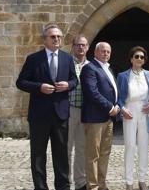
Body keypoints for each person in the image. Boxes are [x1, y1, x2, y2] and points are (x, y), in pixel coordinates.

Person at [16, 24, 77, 190]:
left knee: (61, 154)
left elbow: (74, 80)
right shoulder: (33, 59)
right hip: (39, 115)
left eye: (59, 36)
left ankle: (63, 187)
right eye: (53, 36)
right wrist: (39, 87)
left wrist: (68, 85)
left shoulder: (67, 58)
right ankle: (40, 187)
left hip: (61, 114)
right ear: (45, 39)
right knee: (38, 155)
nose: (56, 39)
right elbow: (21, 82)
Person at [116, 46, 149, 190]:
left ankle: (142, 180)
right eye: (136, 56)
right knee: (129, 146)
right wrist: (122, 110)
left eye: (142, 57)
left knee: (144, 146)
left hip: (145, 112)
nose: (139, 59)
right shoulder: (123, 76)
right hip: (129, 110)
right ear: (131, 59)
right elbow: (118, 98)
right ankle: (129, 182)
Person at [81, 42, 120, 190]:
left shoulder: (108, 68)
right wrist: (110, 107)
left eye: (108, 52)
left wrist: (117, 106)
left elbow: (113, 91)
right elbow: (92, 92)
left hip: (108, 119)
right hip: (95, 118)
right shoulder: (89, 68)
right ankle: (92, 186)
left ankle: (102, 184)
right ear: (95, 52)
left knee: (104, 153)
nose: (105, 54)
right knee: (93, 155)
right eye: (103, 51)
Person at [68, 35, 91, 190]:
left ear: (87, 47)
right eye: (78, 45)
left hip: (86, 111)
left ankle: (80, 182)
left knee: (82, 148)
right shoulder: (66, 63)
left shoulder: (91, 65)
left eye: (83, 45)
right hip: (68, 109)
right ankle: (65, 181)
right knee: (66, 147)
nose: (80, 48)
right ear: (73, 47)